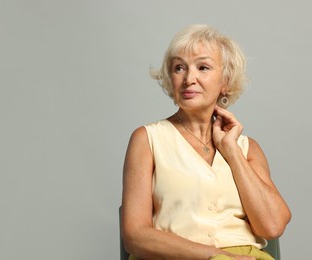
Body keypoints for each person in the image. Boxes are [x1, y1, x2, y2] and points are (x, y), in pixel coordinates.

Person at [121, 25, 291, 260]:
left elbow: (272, 226)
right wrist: (214, 256)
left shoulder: (246, 148)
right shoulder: (148, 139)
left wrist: (231, 151)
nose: (189, 79)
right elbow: (135, 235)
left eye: (203, 67)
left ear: (226, 81)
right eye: (179, 68)